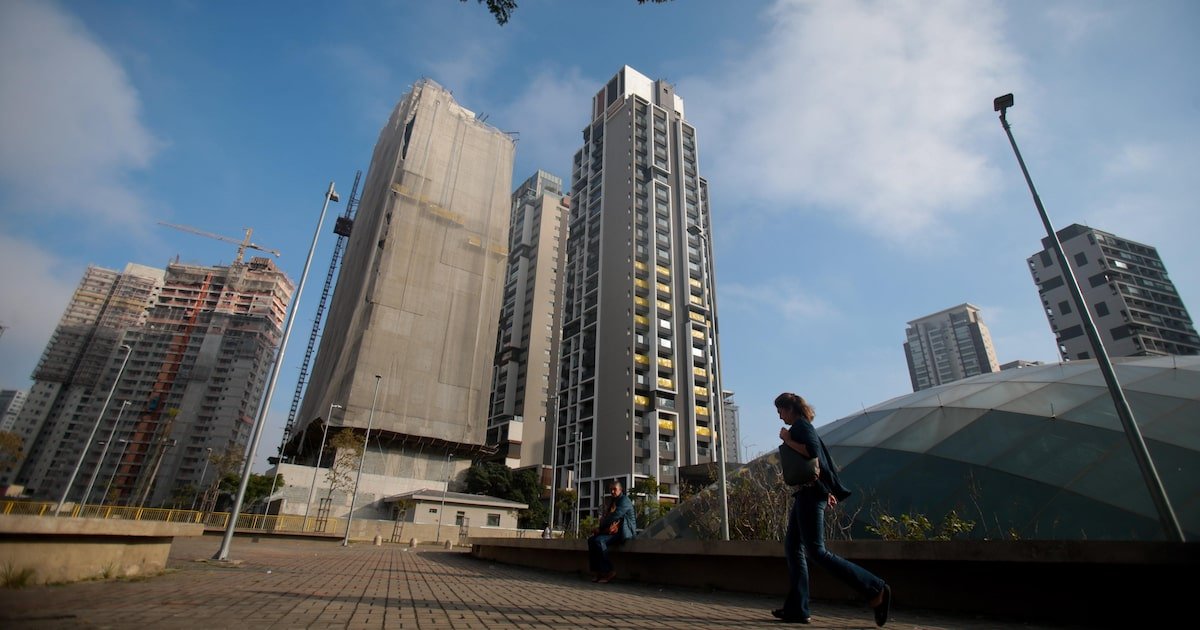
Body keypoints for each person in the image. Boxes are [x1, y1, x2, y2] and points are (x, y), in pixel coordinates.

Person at [774, 392, 891, 626]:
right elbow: (819, 466)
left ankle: (875, 588)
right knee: (793, 547)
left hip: (810, 495)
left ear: (790, 408)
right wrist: (825, 489)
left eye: (780, 410)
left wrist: (787, 440)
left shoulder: (801, 427)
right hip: (807, 492)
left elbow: (813, 453)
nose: (779, 416)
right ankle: (798, 608)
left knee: (817, 551)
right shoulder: (800, 426)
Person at [587, 479, 636, 584]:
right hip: (612, 531)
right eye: (611, 489)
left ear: (620, 490)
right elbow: (607, 518)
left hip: (624, 532)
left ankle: (609, 571)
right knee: (591, 540)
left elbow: (615, 516)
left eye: (615, 489)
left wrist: (600, 529)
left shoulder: (624, 500)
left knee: (599, 541)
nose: (613, 491)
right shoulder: (613, 502)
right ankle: (597, 572)